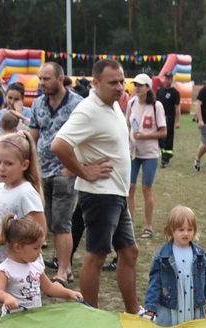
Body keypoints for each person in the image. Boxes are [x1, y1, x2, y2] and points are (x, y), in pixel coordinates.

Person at [52, 59, 142, 314]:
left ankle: (133, 310)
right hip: (101, 195)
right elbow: (59, 145)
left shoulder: (112, 106)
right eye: (113, 82)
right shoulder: (88, 110)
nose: (120, 87)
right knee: (96, 256)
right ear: (96, 82)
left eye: (122, 81)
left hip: (117, 193)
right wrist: (84, 171)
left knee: (130, 252)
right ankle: (90, 316)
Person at [0, 131, 47, 325]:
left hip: (20, 265)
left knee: (21, 319)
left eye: (8, 163)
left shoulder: (26, 193)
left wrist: (5, 237)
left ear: (25, 165)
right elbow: (0, 218)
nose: (1, 168)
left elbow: (40, 230)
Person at [29, 61, 84, 283]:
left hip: (65, 172)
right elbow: (33, 136)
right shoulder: (38, 104)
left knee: (62, 222)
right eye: (40, 78)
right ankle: (67, 266)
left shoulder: (78, 104)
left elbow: (86, 138)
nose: (41, 83)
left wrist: (72, 167)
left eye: (46, 78)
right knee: (51, 222)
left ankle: (62, 270)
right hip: (42, 173)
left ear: (60, 79)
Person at [142, 205, 206, 326]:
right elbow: (155, 283)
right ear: (171, 230)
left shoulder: (200, 255)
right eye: (181, 229)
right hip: (170, 310)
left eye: (190, 229)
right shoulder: (162, 256)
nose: (186, 233)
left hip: (194, 308)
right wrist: (150, 307)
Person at [0, 215, 81, 314]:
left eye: (40, 247)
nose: (40, 252)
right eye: (35, 248)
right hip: (13, 322)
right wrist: (6, 297)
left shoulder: (35, 266)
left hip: (33, 319)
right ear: (18, 248)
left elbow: (49, 288)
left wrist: (69, 293)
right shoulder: (5, 270)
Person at [126, 74, 166, 238]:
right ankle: (129, 224)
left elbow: (163, 132)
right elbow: (127, 124)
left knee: (146, 189)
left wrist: (145, 136)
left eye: (141, 85)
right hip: (133, 152)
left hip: (150, 153)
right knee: (129, 189)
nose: (137, 87)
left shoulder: (157, 106)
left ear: (148, 87)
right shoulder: (131, 103)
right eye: (135, 84)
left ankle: (149, 226)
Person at [155, 70, 180, 167]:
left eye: (169, 79)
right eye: (166, 78)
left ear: (172, 80)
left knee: (168, 137)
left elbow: (177, 107)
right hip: (159, 117)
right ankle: (162, 154)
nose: (167, 80)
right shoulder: (159, 91)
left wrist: (177, 121)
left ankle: (166, 157)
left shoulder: (175, 93)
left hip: (169, 118)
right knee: (160, 137)